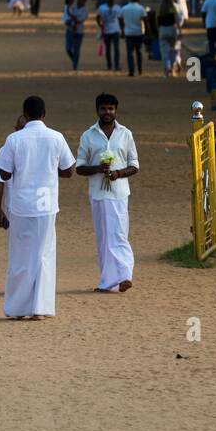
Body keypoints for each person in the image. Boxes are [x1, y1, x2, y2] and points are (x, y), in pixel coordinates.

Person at [0, 95, 75, 319]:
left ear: (25, 114)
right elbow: (69, 170)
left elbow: (4, 173)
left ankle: (18, 308)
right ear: (44, 114)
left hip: (21, 204)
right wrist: (49, 170)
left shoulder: (14, 139)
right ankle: (40, 308)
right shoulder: (56, 137)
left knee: (20, 256)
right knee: (44, 255)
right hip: (47, 204)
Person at [76, 93, 138, 293]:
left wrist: (118, 173)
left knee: (119, 235)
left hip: (119, 193)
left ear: (116, 110)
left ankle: (125, 275)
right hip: (98, 194)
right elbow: (79, 167)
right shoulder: (88, 135)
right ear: (97, 110)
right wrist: (98, 169)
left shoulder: (126, 134)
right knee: (103, 238)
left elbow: (134, 165)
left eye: (111, 109)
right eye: (103, 109)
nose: (107, 112)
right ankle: (107, 282)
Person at [120, 0, 147, 77]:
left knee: (130, 53)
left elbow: (120, 19)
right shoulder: (141, 8)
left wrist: (123, 30)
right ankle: (140, 69)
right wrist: (147, 32)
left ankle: (131, 70)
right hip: (139, 32)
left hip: (128, 33)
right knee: (139, 52)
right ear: (138, 0)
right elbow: (145, 20)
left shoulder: (124, 8)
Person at [97, 0, 122, 72]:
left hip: (116, 30)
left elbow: (121, 19)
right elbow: (98, 17)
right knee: (108, 49)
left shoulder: (117, 8)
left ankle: (117, 65)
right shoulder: (102, 7)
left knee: (116, 49)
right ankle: (109, 65)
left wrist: (123, 29)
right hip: (106, 30)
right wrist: (100, 26)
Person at [157, 0, 180, 77]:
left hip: (163, 30)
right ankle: (173, 70)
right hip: (172, 29)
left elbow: (157, 22)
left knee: (164, 53)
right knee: (172, 50)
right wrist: (179, 31)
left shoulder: (160, 8)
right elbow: (176, 20)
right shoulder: (172, 8)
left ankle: (166, 72)